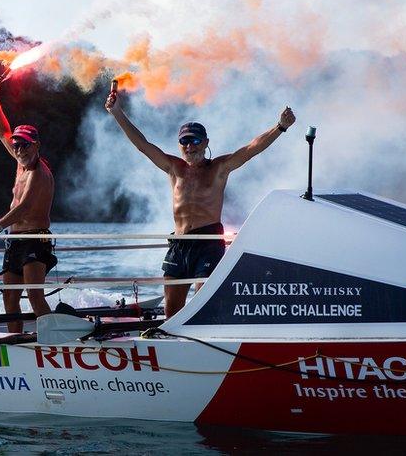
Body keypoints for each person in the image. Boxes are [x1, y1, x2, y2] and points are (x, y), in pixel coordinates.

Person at [105, 83, 295, 318]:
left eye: (195, 141)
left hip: (208, 243)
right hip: (179, 245)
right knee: (172, 311)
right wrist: (117, 113)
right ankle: (172, 344)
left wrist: (280, 127)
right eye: (185, 142)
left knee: (203, 306)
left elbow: (250, 149)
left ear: (205, 143)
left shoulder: (219, 168)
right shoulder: (174, 167)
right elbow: (142, 145)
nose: (189, 146)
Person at [0, 81, 56, 333]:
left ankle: (56, 339)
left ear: (36, 145)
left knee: (35, 296)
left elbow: (23, 208)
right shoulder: (19, 161)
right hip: (15, 241)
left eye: (25, 144)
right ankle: (15, 339)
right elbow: (3, 132)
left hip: (35, 240)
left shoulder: (38, 172)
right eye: (17, 145)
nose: (19, 149)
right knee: (9, 298)